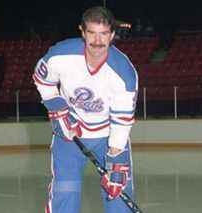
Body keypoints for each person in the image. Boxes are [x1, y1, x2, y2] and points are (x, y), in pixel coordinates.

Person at [33, 6, 138, 213]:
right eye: (92, 33)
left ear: (112, 35)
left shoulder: (123, 73)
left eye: (104, 34)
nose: (98, 41)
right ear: (82, 31)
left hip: (109, 138)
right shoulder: (60, 55)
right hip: (70, 136)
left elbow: (122, 122)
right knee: (65, 194)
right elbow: (42, 79)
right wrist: (56, 108)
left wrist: (116, 161)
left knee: (118, 197)